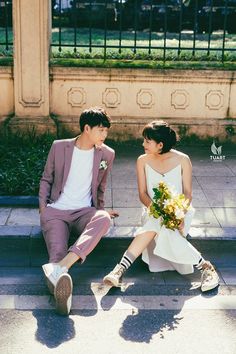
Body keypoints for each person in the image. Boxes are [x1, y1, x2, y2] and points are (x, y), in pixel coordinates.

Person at [103, 120, 219, 292]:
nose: (143, 144)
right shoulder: (142, 160)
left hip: (180, 212)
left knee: (160, 226)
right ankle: (206, 268)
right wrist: (159, 211)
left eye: (147, 141)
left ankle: (119, 269)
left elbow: (188, 194)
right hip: (152, 210)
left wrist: (178, 214)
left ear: (160, 144)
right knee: (156, 222)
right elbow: (142, 194)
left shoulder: (183, 160)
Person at [39, 107, 118, 315]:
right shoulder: (59, 147)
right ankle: (63, 294)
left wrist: (100, 213)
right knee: (55, 252)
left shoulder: (107, 154)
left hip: (84, 212)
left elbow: (100, 188)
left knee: (103, 219)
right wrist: (43, 209)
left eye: (106, 131)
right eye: (101, 130)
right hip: (56, 211)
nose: (105, 135)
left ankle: (61, 267)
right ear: (86, 128)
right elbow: (46, 179)